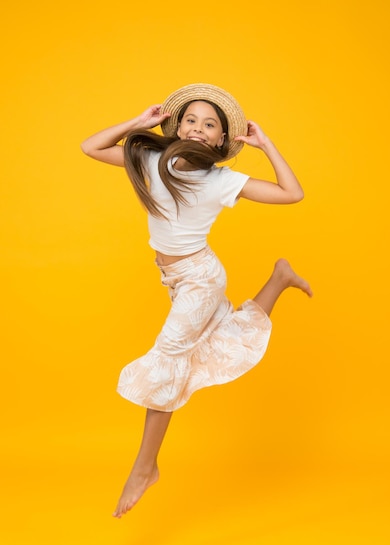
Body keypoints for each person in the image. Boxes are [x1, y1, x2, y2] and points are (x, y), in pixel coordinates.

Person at [81, 83, 313, 519]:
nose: (200, 129)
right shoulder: (149, 160)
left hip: (201, 280)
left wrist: (266, 145)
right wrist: (137, 123)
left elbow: (292, 193)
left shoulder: (221, 180)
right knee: (218, 340)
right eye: (191, 120)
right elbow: (90, 147)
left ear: (222, 141)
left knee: (170, 358)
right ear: (176, 125)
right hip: (175, 279)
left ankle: (145, 467)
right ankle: (279, 277)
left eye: (211, 125)